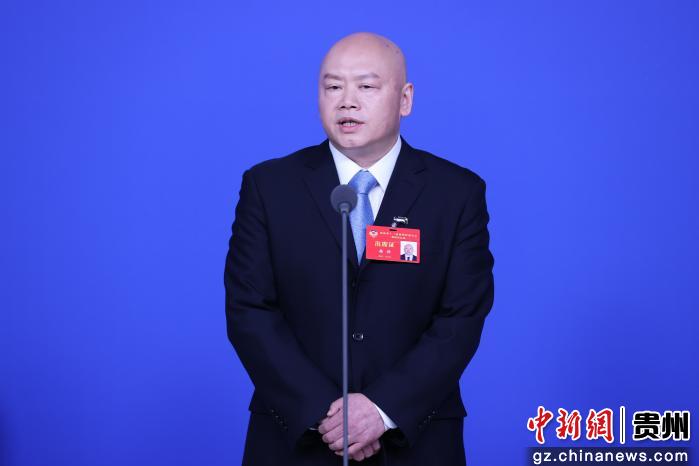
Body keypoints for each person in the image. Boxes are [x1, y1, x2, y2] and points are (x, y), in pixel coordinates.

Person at [224, 32, 494, 465]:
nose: (347, 101)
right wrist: (325, 413)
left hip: (415, 440)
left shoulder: (456, 193)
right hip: (296, 437)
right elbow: (249, 311)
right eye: (333, 87)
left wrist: (381, 410)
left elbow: (462, 317)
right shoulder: (269, 187)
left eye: (366, 86)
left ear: (405, 99)